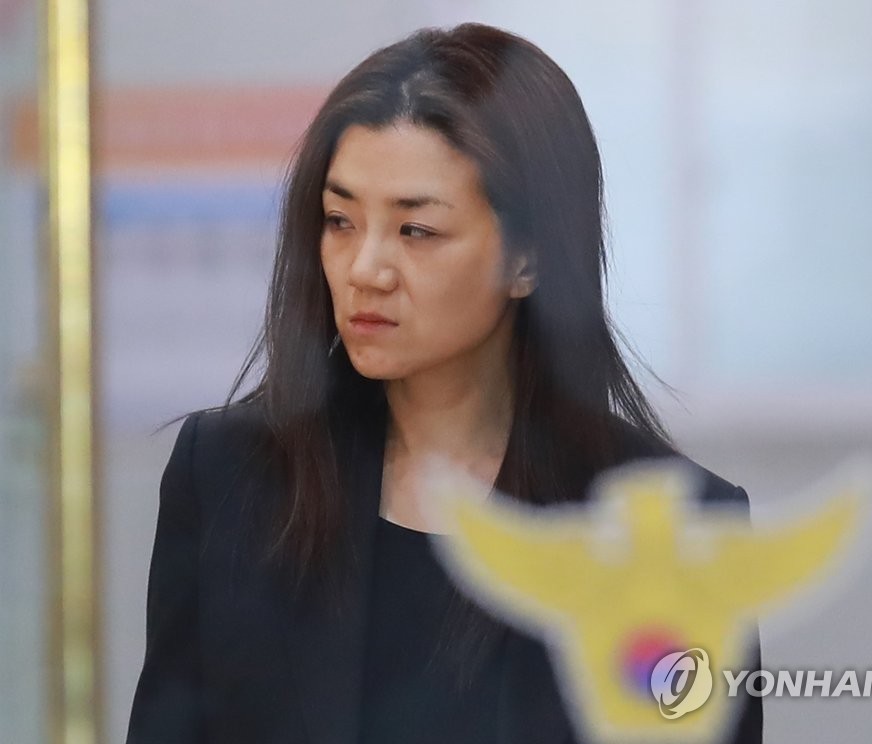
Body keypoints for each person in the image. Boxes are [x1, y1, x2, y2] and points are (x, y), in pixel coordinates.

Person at [126, 22, 763, 744]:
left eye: (415, 231)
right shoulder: (229, 477)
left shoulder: (679, 533)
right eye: (339, 221)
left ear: (527, 258)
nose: (365, 269)